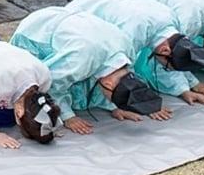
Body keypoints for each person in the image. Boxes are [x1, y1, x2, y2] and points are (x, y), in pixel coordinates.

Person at [10, 7, 168, 134]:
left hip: (76, 26)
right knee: (29, 85)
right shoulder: (81, 59)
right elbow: (52, 82)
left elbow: (112, 79)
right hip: (37, 30)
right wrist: (67, 116)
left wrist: (115, 106)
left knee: (86, 79)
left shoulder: (127, 52)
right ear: (107, 83)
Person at [66, 0, 204, 106]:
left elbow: (177, 56)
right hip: (81, 14)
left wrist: (188, 87)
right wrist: (122, 105)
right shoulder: (128, 37)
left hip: (107, 0)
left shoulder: (170, 24)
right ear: (164, 51)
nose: (166, 68)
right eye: (168, 67)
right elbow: (114, 77)